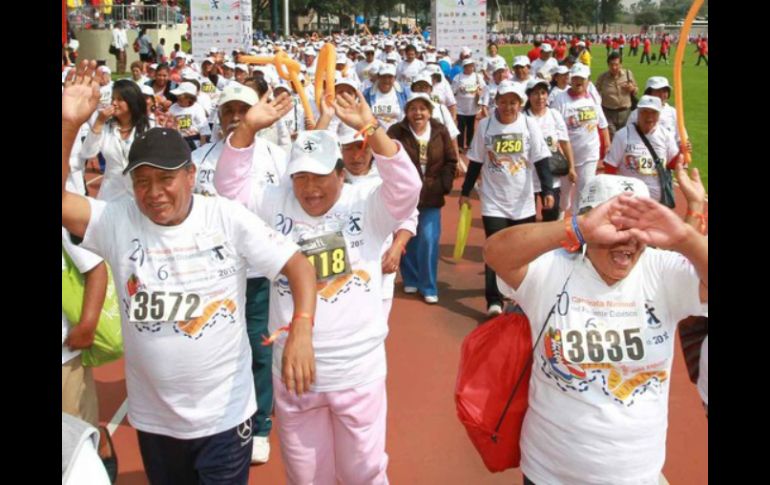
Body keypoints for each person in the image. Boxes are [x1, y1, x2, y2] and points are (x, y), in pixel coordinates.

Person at [62, 60, 316, 484]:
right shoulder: (118, 220)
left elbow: (298, 264)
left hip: (226, 416)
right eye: (142, 181)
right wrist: (68, 124)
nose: (154, 193)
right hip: (155, 421)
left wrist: (302, 328)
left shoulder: (227, 218)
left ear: (191, 175)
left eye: (166, 179)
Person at [213, 90, 422, 485]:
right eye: (301, 176)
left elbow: (407, 188)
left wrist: (371, 128)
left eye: (321, 176)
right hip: (295, 374)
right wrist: (248, 128)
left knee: (364, 471)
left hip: (356, 369)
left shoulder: (367, 204)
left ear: (341, 173)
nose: (310, 188)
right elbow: (230, 189)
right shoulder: (275, 204)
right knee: (306, 475)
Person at [484, 173, 707, 485]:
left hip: (636, 475)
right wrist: (577, 227)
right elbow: (495, 253)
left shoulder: (661, 271)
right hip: (549, 473)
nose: (626, 240)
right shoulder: (553, 268)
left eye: (637, 229)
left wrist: (684, 237)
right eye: (614, 228)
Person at [459, 81, 554, 316]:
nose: (508, 106)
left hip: (523, 201)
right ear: (496, 102)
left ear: (520, 104)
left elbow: (541, 160)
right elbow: (476, 161)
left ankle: (521, 296)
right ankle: (494, 300)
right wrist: (465, 191)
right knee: (495, 249)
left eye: (513, 102)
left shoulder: (529, 125)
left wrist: (548, 191)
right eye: (503, 101)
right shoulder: (486, 126)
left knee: (524, 252)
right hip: (493, 200)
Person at [387, 92, 458, 303]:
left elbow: (451, 160)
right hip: (404, 196)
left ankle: (428, 285)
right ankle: (411, 277)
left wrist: (444, 184)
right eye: (413, 109)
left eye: (422, 109)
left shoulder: (440, 131)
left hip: (431, 195)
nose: (418, 113)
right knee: (407, 239)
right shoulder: (396, 131)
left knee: (428, 239)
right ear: (407, 111)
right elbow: (387, 159)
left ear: (429, 111)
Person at [550, 63, 610, 214]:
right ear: (571, 79)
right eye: (575, 78)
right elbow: (553, 127)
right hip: (566, 156)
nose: (578, 82)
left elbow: (602, 124)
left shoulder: (593, 100)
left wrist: (607, 144)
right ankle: (562, 211)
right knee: (564, 194)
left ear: (588, 81)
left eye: (582, 79)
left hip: (589, 154)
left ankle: (576, 226)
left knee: (584, 192)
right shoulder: (560, 100)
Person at [80, 80, 152, 202]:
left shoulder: (149, 127)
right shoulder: (106, 128)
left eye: (120, 99)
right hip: (110, 195)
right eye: (113, 99)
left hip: (139, 195)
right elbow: (88, 153)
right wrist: (99, 122)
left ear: (132, 101)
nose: (114, 103)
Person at [604, 95, 683, 204]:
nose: (649, 117)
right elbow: (610, 166)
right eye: (644, 112)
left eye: (653, 113)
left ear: (659, 115)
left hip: (657, 201)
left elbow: (672, 164)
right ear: (638, 113)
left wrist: (682, 152)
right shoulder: (622, 135)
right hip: (630, 197)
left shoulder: (666, 136)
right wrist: (612, 194)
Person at [524, 78, 576, 222]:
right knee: (528, 218)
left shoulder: (554, 115)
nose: (540, 97)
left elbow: (565, 142)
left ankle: (548, 243)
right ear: (528, 96)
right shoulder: (522, 117)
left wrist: (571, 167)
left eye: (543, 93)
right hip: (529, 177)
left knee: (551, 213)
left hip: (551, 174)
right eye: (535, 93)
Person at [595, 52, 638, 139]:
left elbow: (636, 90)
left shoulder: (628, 74)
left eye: (616, 65)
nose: (614, 67)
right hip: (608, 113)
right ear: (608, 65)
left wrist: (632, 88)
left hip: (625, 113)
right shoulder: (602, 77)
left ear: (621, 64)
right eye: (611, 65)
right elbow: (594, 92)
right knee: (613, 137)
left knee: (625, 137)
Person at [627, 76, 680, 142]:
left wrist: (684, 145)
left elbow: (680, 136)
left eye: (664, 91)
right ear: (649, 93)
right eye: (658, 91)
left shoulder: (673, 112)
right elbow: (627, 136)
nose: (661, 94)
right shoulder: (636, 113)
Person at [452, 58, 485, 153]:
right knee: (461, 127)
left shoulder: (477, 77)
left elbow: (483, 88)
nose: (470, 68)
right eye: (468, 66)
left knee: (471, 128)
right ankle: (460, 146)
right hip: (460, 108)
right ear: (464, 67)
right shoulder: (458, 77)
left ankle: (470, 145)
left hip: (473, 108)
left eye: (471, 66)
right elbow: (452, 91)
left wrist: (479, 92)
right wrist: (459, 88)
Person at [363, 63, 408, 132]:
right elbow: (364, 117)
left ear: (395, 78)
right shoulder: (367, 94)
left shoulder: (404, 92)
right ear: (378, 76)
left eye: (390, 77)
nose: (386, 80)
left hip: (399, 133)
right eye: (383, 76)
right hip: (374, 133)